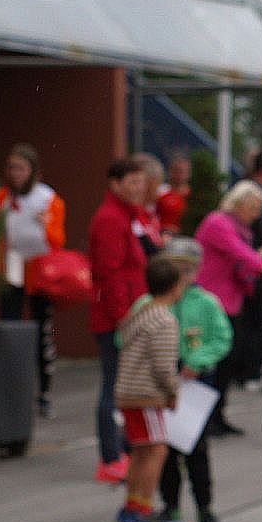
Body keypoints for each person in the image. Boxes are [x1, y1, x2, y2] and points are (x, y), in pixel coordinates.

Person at [196, 180, 262, 434]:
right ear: (239, 203)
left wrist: (261, 258)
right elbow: (239, 253)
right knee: (215, 363)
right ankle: (205, 420)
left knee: (227, 364)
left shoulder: (241, 229)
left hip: (231, 300)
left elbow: (245, 261)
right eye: (254, 207)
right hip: (213, 301)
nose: (256, 214)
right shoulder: (218, 223)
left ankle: (217, 415)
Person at [155, 237, 232, 522]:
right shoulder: (154, 302)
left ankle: (204, 507)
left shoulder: (207, 303)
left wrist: (198, 360)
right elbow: (128, 334)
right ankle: (170, 506)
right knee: (165, 449)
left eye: (187, 269)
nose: (181, 276)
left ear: (196, 271)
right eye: (174, 269)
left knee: (196, 448)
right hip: (162, 380)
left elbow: (222, 338)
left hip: (196, 382)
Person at [88, 157, 152, 483]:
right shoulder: (111, 219)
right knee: (113, 386)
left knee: (123, 386)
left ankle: (122, 450)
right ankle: (110, 457)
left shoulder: (129, 216)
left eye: (142, 182)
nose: (139, 188)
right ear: (115, 184)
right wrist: (122, 318)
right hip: (118, 317)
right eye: (132, 182)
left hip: (130, 313)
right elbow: (109, 273)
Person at [0, 143, 66, 418]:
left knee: (41, 330)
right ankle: (10, 390)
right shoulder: (0, 198)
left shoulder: (48, 199)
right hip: (12, 265)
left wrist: (45, 223)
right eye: (12, 168)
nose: (16, 173)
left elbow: (58, 239)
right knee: (10, 325)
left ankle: (44, 393)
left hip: (39, 267)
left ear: (32, 171)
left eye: (21, 168)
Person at [113, 255, 184, 522]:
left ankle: (131, 504)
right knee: (157, 449)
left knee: (141, 449)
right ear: (175, 287)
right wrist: (173, 392)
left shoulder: (141, 313)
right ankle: (142, 508)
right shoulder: (164, 319)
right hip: (147, 394)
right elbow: (164, 365)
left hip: (129, 391)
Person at [157, 151, 192, 239]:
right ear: (170, 172)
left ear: (189, 173)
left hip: (188, 237)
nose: (180, 175)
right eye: (177, 171)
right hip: (164, 236)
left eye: (183, 171)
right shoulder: (161, 192)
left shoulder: (194, 195)